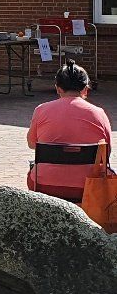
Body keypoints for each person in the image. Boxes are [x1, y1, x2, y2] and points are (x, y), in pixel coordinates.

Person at [27, 60, 112, 201]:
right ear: (85, 88)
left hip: (44, 185)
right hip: (89, 187)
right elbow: (106, 153)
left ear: (58, 88)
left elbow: (32, 144)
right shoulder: (99, 113)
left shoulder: (41, 110)